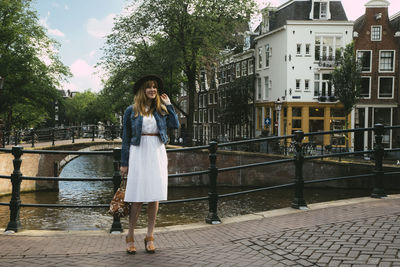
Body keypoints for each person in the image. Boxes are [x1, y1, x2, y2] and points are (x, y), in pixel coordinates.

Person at [120, 75, 179, 254]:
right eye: (149, 87)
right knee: (137, 197)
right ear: (142, 90)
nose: (152, 90)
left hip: (157, 151)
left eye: (154, 87)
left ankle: (150, 235)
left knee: (154, 196)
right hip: (138, 151)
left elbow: (175, 124)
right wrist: (124, 163)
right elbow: (126, 138)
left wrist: (169, 105)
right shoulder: (131, 111)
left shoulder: (161, 110)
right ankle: (130, 236)